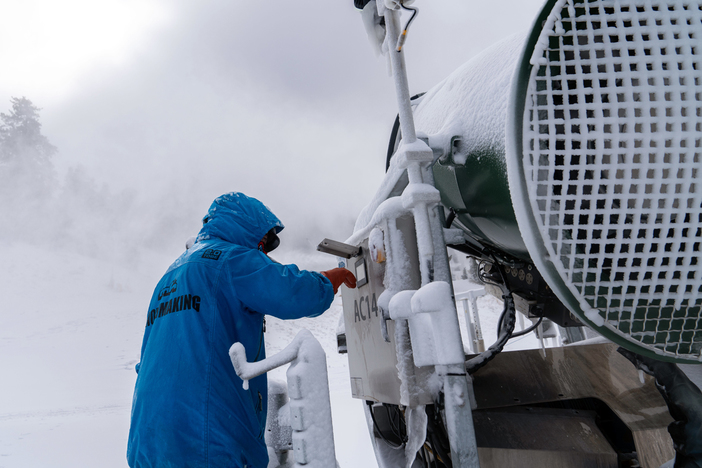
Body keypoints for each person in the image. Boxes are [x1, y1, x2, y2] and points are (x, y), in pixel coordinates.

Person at [127, 192, 356, 468]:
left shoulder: (169, 276)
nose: (262, 251)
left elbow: (146, 359)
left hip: (148, 440)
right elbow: (290, 292)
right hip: (207, 441)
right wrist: (328, 279)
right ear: (244, 228)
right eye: (262, 241)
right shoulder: (229, 259)